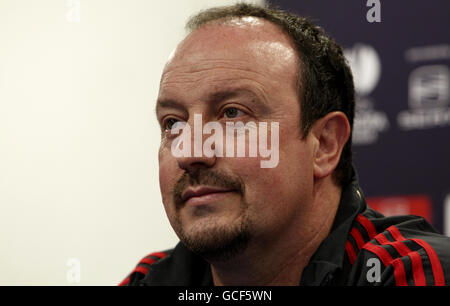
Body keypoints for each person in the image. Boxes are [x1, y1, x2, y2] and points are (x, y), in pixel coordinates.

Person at [119, 3, 450, 286]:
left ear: (324, 144)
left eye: (232, 115)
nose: (190, 152)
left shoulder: (411, 272)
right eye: (173, 123)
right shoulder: (150, 279)